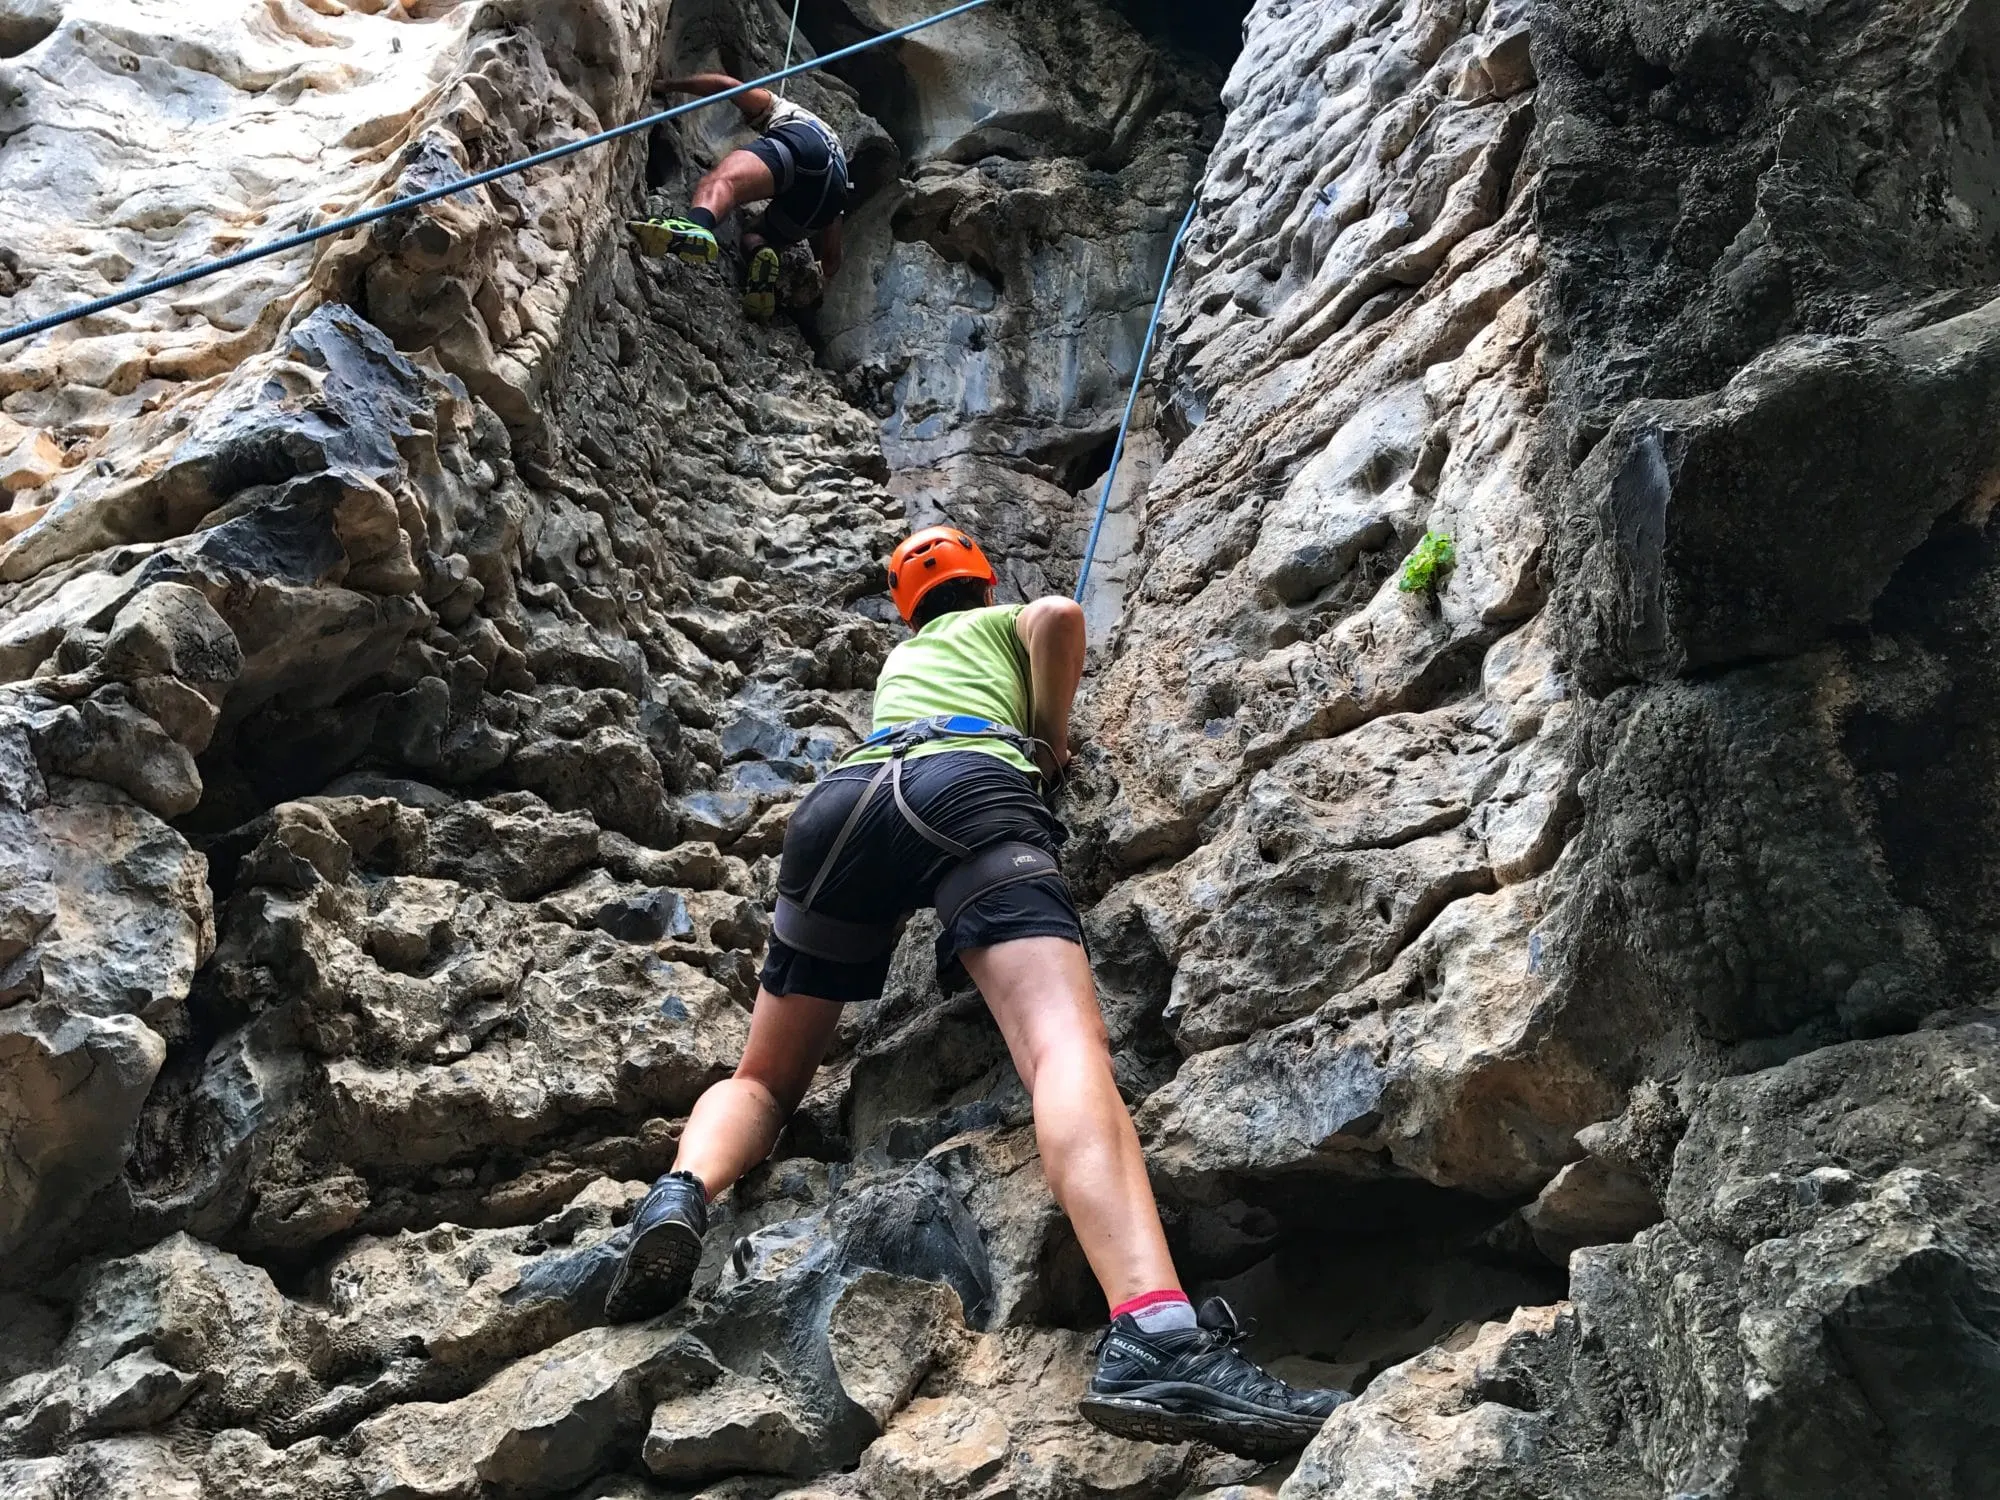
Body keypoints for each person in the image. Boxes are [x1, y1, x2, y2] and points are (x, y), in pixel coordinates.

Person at [604, 526, 1351, 1458]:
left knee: (764, 1078)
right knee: (1061, 1050)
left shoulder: (903, 662)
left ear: (903, 607)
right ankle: (1159, 1335)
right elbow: (1062, 615)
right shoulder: (1003, 619)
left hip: (841, 807)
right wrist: (1050, 738)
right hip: (966, 780)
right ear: (982, 580)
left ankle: (681, 1194)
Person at [631, 73, 850, 320]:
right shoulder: (837, 150)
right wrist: (820, 273)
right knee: (755, 234)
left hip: (804, 144)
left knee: (722, 180)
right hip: (832, 193)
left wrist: (668, 84)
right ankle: (760, 260)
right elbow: (832, 259)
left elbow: (727, 87)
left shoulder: (780, 107)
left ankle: (696, 226)